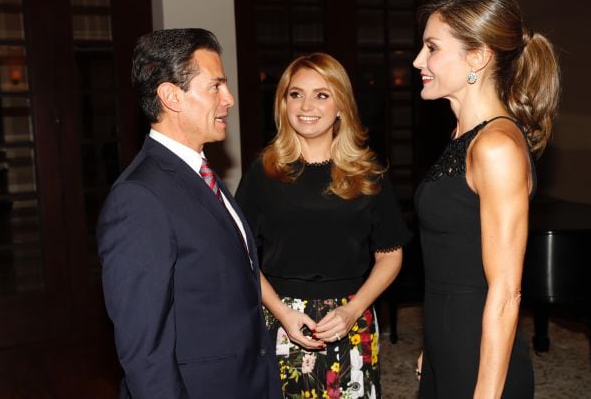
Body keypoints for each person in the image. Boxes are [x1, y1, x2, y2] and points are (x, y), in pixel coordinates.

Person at [97, 28, 282, 398]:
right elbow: (144, 350)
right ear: (171, 96)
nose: (228, 98)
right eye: (215, 86)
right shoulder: (138, 199)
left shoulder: (199, 172)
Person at [411, 0, 560, 398]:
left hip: (478, 361)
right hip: (450, 346)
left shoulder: (496, 147)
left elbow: (506, 292)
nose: (418, 59)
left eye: (432, 47)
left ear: (476, 56)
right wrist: (433, 347)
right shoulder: (463, 137)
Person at [235, 52, 412, 398]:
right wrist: (283, 313)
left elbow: (390, 255)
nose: (306, 105)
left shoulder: (369, 172)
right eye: (295, 94)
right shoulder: (263, 171)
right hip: (281, 320)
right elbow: (240, 255)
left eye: (321, 94)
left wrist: (353, 310)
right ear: (283, 103)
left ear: (341, 105)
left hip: (351, 319)